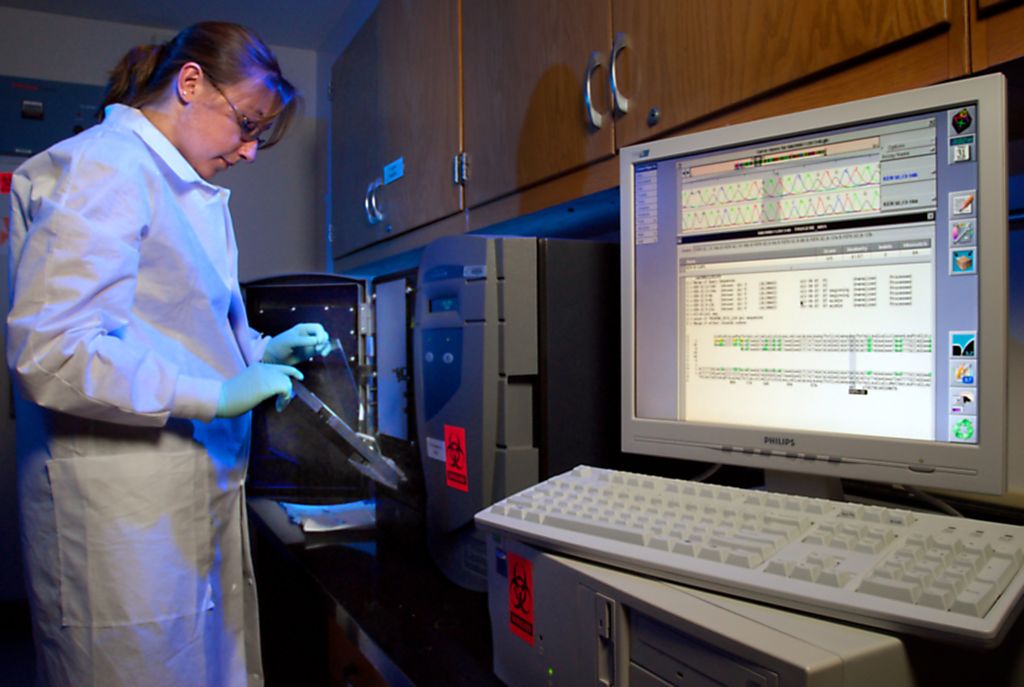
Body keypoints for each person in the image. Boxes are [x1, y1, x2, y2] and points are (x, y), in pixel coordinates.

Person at [6, 21, 328, 687]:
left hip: (177, 507)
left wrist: (261, 351)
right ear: (190, 84)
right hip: (122, 524)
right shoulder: (107, 165)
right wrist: (215, 394)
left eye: (259, 133)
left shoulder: (180, 186)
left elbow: (175, 326)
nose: (250, 151)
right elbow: (55, 350)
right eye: (247, 123)